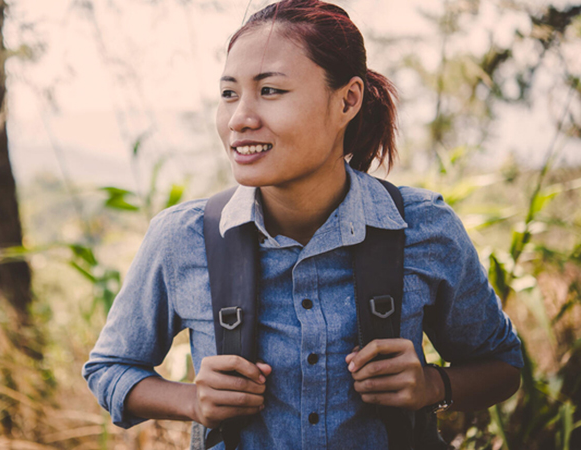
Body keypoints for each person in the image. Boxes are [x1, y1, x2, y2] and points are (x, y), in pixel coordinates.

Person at [83, 1, 523, 448]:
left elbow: (502, 366)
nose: (240, 119)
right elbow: (108, 369)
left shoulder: (424, 228)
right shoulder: (183, 237)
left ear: (347, 100)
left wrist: (434, 387)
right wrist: (191, 401)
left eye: (270, 91)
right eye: (229, 94)